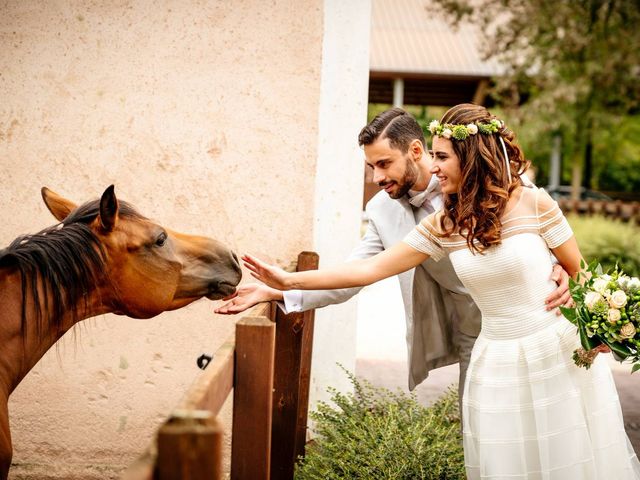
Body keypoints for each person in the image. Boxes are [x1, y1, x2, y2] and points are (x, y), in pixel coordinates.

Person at [238, 104, 640, 478]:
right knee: (505, 457)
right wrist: (284, 284)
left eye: (441, 156)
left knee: (567, 451)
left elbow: (575, 265)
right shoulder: (435, 225)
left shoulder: (529, 200)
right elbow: (366, 270)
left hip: (551, 345)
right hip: (489, 349)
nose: (432, 165)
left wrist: (581, 299)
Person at [217, 107, 570, 404]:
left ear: (416, 150)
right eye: (372, 167)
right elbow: (359, 273)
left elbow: (539, 232)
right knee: (482, 430)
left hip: (534, 319)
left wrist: (562, 268)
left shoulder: (485, 180)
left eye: (384, 163)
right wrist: (278, 290)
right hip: (472, 332)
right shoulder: (382, 211)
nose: (376, 177)